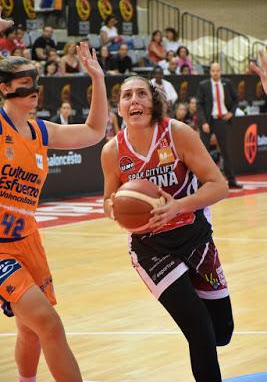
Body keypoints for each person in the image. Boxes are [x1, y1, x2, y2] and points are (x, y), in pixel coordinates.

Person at [101, 75, 234, 382]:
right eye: (126, 96)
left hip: (195, 236)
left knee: (221, 332)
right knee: (199, 330)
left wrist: (177, 206)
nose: (134, 100)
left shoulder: (177, 134)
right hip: (151, 249)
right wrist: (117, 208)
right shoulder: (112, 151)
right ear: (120, 107)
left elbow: (219, 186)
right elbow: (108, 201)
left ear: (154, 101)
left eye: (141, 94)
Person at [0, 41, 108, 382]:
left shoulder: (38, 130)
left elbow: (94, 132)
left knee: (30, 329)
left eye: (36, 85)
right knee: (48, 323)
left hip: (28, 240)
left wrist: (98, 80)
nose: (34, 92)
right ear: (3, 89)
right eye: (24, 86)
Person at [196, 62, 242, 189]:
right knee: (202, 151)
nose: (215, 73)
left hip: (222, 120)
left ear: (220, 71)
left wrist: (231, 112)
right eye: (213, 70)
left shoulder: (227, 83)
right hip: (208, 120)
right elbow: (199, 105)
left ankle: (231, 180)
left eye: (217, 70)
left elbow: (236, 99)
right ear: (210, 72)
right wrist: (204, 122)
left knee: (226, 151)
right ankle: (200, 182)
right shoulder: (203, 85)